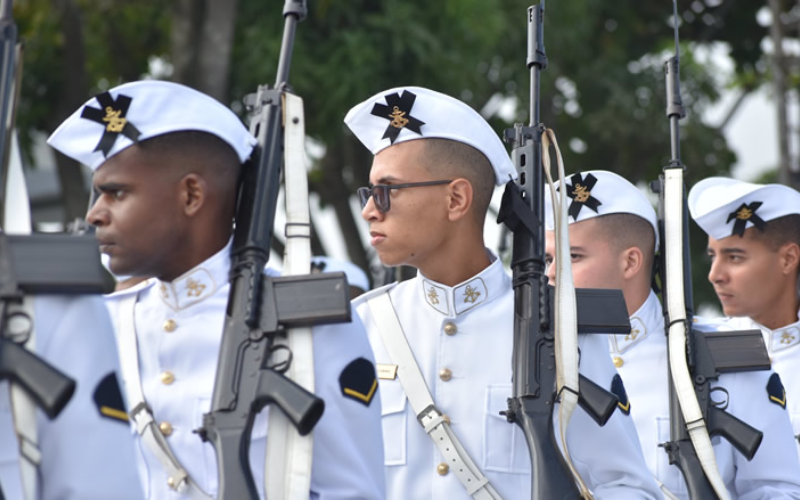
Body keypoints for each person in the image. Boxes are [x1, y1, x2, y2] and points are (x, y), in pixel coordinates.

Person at [47, 80, 385, 499]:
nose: (95, 214)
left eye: (116, 193)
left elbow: (352, 492)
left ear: (191, 195)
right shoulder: (99, 327)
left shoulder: (307, 324)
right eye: (97, 194)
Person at [345, 86, 662, 499]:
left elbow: (627, 487)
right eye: (370, 193)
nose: (370, 209)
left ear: (456, 198)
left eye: (387, 191)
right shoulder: (359, 326)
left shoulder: (557, 327)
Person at [544, 170, 800, 499]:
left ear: (631, 262)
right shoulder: (535, 359)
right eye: (549, 258)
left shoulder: (719, 358)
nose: (552, 273)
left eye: (572, 257)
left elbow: (779, 489)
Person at [688, 177, 800, 456]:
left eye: (735, 257)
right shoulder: (700, 351)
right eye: (712, 256)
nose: (715, 275)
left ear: (788, 259)